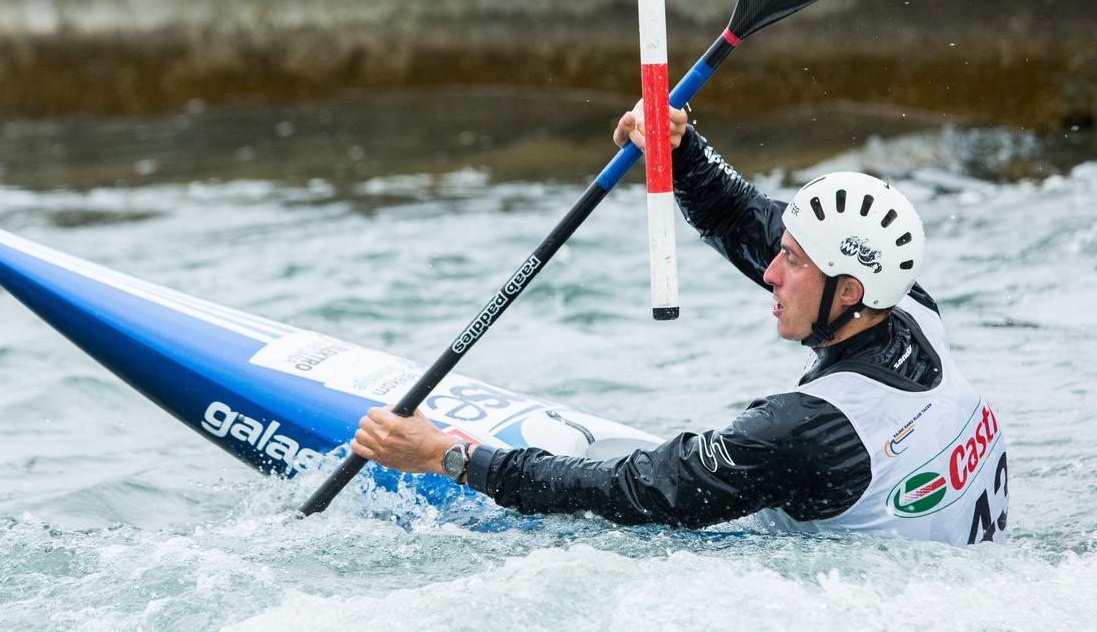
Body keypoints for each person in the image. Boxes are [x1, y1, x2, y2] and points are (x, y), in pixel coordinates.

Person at [351, 104, 1009, 546]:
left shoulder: (808, 431)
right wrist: (680, 150)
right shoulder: (910, 305)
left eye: (794, 263)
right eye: (783, 254)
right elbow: (752, 225)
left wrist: (449, 457)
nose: (772, 275)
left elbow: (639, 490)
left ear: (849, 290)